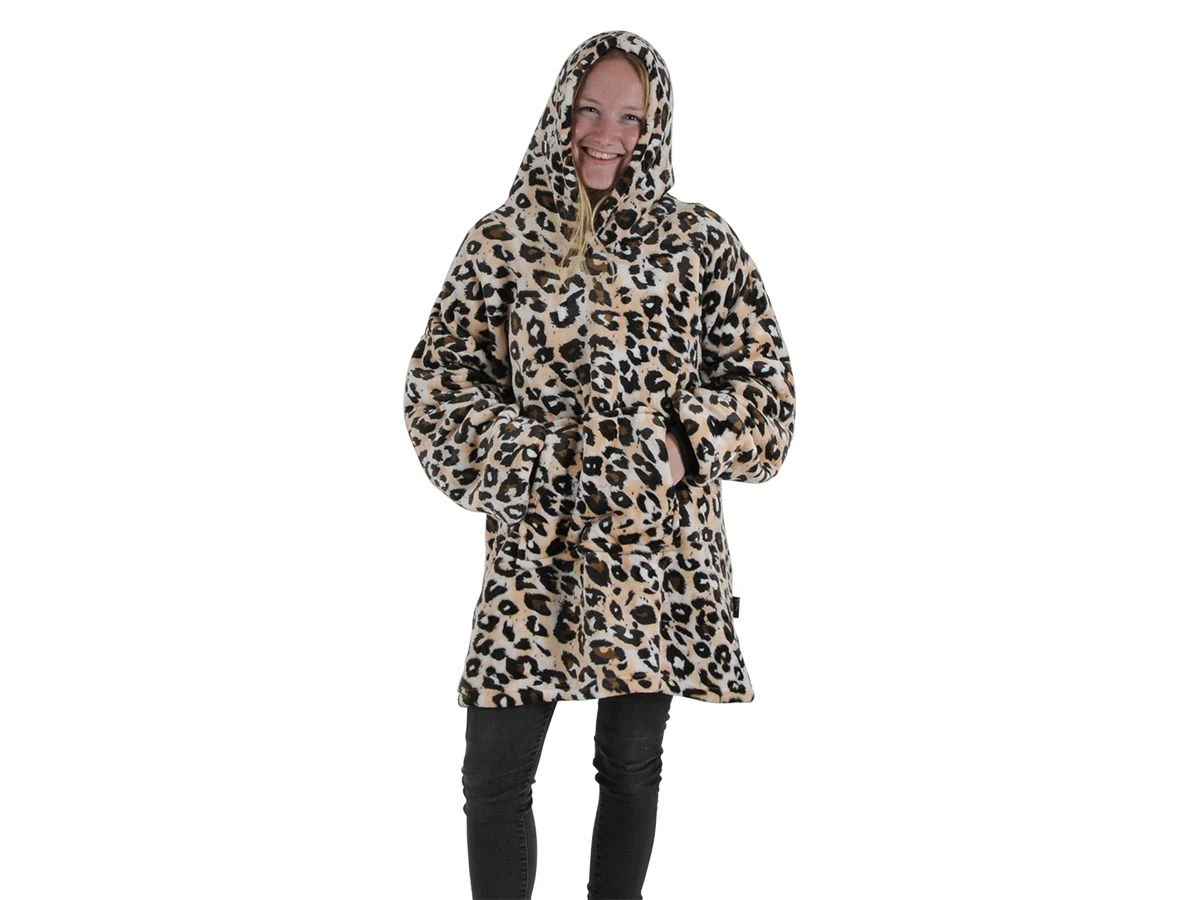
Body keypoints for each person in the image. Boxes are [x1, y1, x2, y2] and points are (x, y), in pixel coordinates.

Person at [403, 30, 795, 900]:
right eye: (590, 110)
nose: (606, 134)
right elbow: (438, 388)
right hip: (535, 548)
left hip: (654, 553)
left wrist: (678, 447)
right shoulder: (503, 240)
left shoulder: (699, 243)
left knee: (630, 763)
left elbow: (769, 395)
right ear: (560, 113)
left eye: (630, 118)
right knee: (493, 776)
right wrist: (540, 461)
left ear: (655, 129)